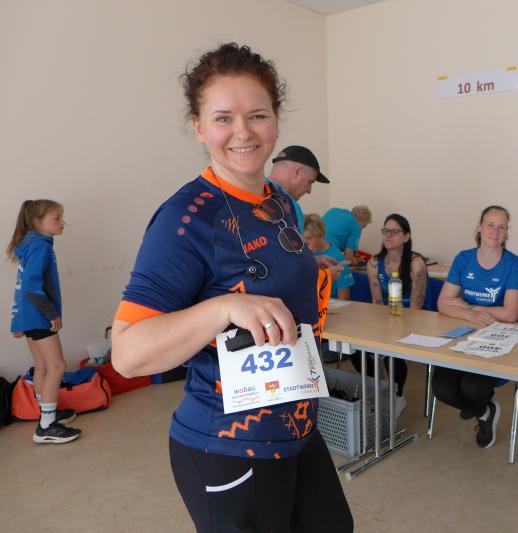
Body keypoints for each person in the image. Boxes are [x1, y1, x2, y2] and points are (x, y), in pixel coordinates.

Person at [111, 43, 352, 532]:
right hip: (228, 444)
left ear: (276, 121)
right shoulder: (185, 219)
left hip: (297, 424)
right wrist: (222, 308)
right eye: (223, 118)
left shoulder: (277, 201)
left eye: (257, 115)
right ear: (199, 127)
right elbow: (128, 354)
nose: (243, 132)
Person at [434, 205, 518, 448]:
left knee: (472, 388)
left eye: (502, 227)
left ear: (507, 232)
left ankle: (478, 406)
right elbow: (443, 303)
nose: (495, 231)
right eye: (490, 225)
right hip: (462, 336)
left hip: (496, 341)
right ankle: (485, 412)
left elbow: (511, 314)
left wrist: (470, 307)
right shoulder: (463, 259)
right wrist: (470, 315)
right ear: (479, 227)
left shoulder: (514, 263)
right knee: (442, 389)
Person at [8, 199, 80, 444]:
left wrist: (19, 322)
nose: (63, 222)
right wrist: (51, 314)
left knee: (41, 366)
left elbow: (21, 288)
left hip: (29, 316)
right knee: (57, 366)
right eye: (56, 218)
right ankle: (47, 425)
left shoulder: (30, 244)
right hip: (39, 315)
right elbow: (30, 286)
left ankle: (46, 413)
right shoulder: (40, 247)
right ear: (38, 222)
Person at [354, 214, 429, 413]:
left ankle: (398, 395)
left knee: (390, 352)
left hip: (414, 317)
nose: (388, 235)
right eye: (386, 231)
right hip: (388, 314)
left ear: (406, 236)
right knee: (356, 348)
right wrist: (378, 328)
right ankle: (377, 389)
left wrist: (391, 329)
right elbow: (377, 302)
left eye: (395, 231)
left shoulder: (416, 263)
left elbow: (417, 306)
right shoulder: (374, 263)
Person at [268, 145, 329, 232]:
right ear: (298, 172)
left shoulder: (250, 191)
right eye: (310, 182)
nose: (309, 190)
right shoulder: (291, 209)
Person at [304, 214, 354, 300]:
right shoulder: (301, 254)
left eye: (309, 238)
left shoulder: (337, 257)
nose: (304, 242)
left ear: (321, 236)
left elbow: (343, 297)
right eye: (302, 238)